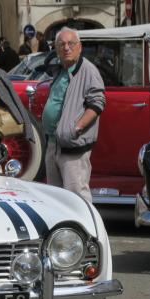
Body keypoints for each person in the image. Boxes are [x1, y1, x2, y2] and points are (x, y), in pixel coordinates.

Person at [42, 27, 105, 202]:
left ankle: (86, 222)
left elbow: (97, 103)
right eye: (61, 44)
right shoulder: (60, 69)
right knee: (55, 198)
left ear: (80, 47)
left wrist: (76, 128)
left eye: (71, 43)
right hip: (53, 143)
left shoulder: (88, 70)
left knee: (77, 196)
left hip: (72, 145)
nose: (66, 48)